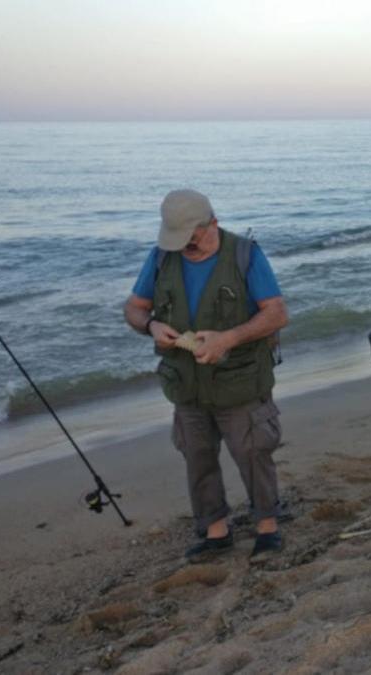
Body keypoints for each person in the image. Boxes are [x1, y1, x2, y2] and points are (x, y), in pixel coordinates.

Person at [123, 189, 288, 561]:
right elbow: (133, 307)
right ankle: (215, 530)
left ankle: (267, 525)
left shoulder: (245, 254)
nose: (185, 248)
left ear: (212, 224)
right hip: (185, 385)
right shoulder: (161, 258)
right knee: (196, 455)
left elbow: (276, 312)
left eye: (192, 240)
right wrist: (150, 326)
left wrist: (228, 338)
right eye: (177, 241)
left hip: (240, 381)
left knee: (253, 452)